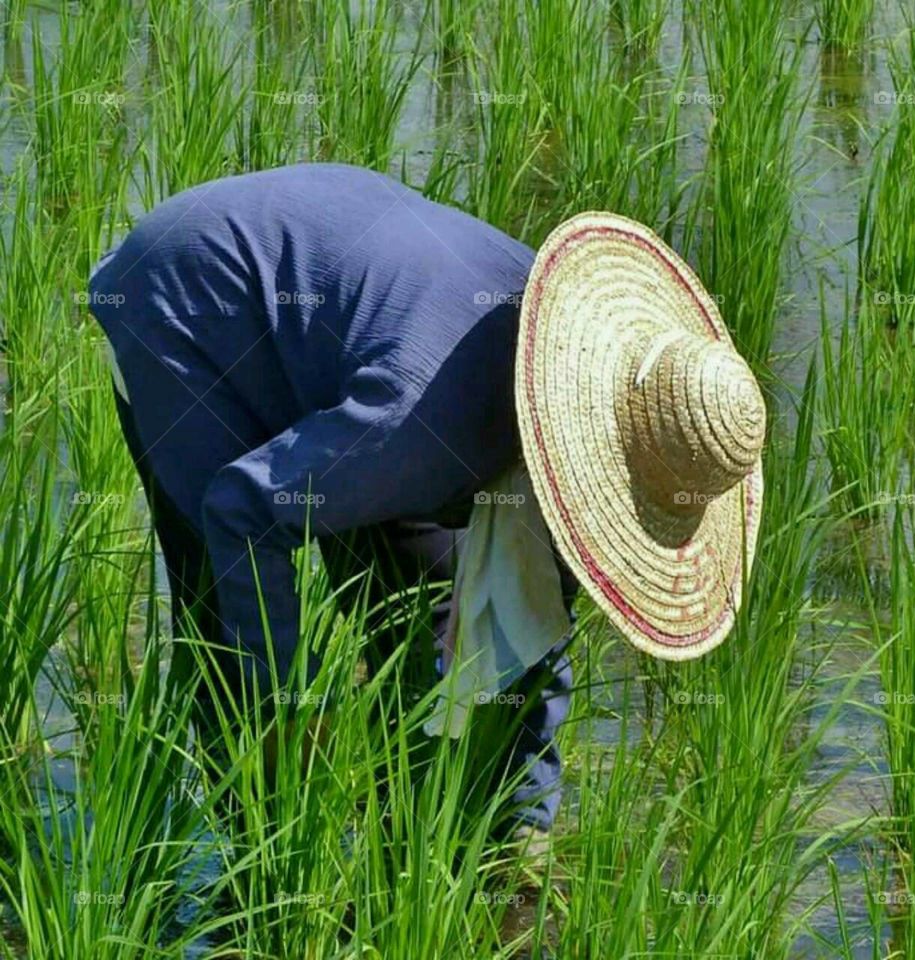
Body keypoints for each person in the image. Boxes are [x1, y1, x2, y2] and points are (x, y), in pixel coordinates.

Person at [86, 162, 766, 849]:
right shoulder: (418, 420)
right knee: (227, 625)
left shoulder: (568, 372)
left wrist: (526, 831)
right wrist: (288, 702)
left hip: (357, 323)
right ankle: (260, 864)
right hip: (185, 301)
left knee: (420, 602)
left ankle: (410, 827)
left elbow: (538, 614)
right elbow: (241, 510)